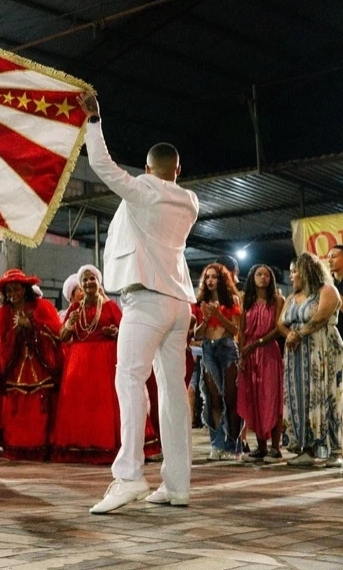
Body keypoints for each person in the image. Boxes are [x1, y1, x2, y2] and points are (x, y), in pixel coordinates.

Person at [80, 93, 198, 513]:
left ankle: (129, 475)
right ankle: (177, 485)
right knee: (172, 393)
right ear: (178, 171)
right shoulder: (190, 201)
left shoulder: (145, 191)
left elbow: (102, 166)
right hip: (179, 304)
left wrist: (94, 120)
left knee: (129, 380)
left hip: (146, 299)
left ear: (149, 170)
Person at [0, 268, 62, 461]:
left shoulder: (41, 307)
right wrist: (15, 332)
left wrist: (32, 327)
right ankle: (16, 445)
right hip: (15, 366)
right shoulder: (3, 313)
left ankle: (41, 445)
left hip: (39, 365)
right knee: (16, 404)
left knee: (40, 402)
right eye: (9, 291)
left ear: (25, 289)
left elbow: (55, 333)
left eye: (16, 289)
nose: (13, 294)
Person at [52, 265, 123, 464]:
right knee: (80, 405)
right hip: (79, 362)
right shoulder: (75, 308)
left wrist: (115, 333)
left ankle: (107, 445)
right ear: (80, 285)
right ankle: (81, 445)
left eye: (92, 279)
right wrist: (69, 324)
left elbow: (125, 333)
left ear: (99, 282)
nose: (89, 283)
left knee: (103, 404)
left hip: (104, 361)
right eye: (85, 280)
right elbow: (62, 336)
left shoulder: (110, 307)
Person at [279, 252, 343, 466]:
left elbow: (322, 316)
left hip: (322, 351)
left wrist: (299, 333)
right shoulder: (292, 297)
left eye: (294, 271)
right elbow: (280, 322)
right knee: (301, 398)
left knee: (327, 396)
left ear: (306, 270)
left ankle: (334, 451)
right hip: (296, 355)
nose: (291, 276)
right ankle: (306, 448)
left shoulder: (327, 290)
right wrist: (289, 333)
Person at [193, 263, 242, 460]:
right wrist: (205, 319)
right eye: (208, 277)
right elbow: (197, 334)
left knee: (231, 398)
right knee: (213, 397)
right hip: (208, 349)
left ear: (222, 280)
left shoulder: (232, 299)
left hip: (227, 348)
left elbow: (235, 330)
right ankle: (217, 444)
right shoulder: (200, 302)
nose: (210, 281)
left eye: (214, 277)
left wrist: (218, 315)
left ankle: (233, 445)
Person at [237, 264, 285, 463]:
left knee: (271, 398)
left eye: (267, 275)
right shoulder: (246, 301)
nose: (263, 277)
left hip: (268, 350)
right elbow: (241, 330)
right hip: (249, 352)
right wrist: (242, 355)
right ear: (252, 278)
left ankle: (275, 447)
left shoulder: (277, 300)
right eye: (259, 274)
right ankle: (261, 447)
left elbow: (278, 328)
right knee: (253, 397)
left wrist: (257, 343)